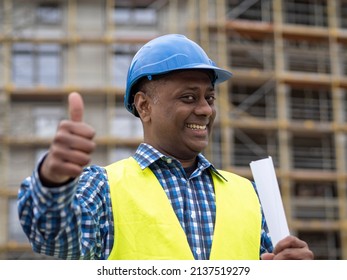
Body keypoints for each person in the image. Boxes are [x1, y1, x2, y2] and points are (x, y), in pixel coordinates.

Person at [17, 34, 313, 260]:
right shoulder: (102, 187)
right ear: (144, 106)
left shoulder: (249, 195)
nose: (205, 110)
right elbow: (57, 242)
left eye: (209, 98)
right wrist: (53, 181)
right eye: (188, 97)